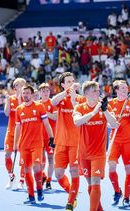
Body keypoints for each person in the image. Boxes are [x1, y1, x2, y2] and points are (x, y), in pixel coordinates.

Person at [73, 81, 118, 211]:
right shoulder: (79, 107)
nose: (98, 92)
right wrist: (93, 113)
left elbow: (114, 124)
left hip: (98, 153)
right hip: (83, 153)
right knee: (91, 185)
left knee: (96, 183)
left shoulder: (105, 108)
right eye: (94, 90)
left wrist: (104, 111)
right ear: (86, 93)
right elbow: (77, 122)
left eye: (98, 90)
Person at [13, 84, 54, 204]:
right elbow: (17, 128)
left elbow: (46, 124)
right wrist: (15, 144)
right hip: (24, 145)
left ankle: (39, 189)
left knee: (37, 167)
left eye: (27, 93)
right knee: (26, 170)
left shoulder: (39, 106)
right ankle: (31, 195)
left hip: (37, 144)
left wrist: (51, 137)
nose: (25, 95)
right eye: (23, 93)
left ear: (32, 94)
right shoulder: (19, 109)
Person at [51, 72, 85, 210]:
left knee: (74, 172)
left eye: (73, 81)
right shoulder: (60, 99)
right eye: (68, 82)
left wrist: (73, 98)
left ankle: (70, 203)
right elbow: (53, 101)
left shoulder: (81, 99)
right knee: (58, 174)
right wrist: (66, 93)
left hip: (76, 142)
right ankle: (73, 193)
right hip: (60, 141)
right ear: (63, 85)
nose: (71, 84)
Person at [107, 80, 130, 207]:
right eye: (122, 88)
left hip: (128, 141)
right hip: (114, 140)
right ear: (116, 90)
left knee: (128, 169)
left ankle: (127, 197)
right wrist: (113, 124)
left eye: (126, 87)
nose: (125, 89)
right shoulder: (111, 103)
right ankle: (117, 191)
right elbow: (108, 123)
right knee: (111, 167)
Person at [3, 78, 26, 189]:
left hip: (23, 133)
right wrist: (8, 101)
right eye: (17, 85)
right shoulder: (10, 98)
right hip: (10, 131)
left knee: (23, 158)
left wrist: (19, 100)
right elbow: (7, 113)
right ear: (15, 87)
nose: (20, 87)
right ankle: (11, 176)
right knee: (7, 155)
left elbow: (23, 113)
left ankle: (22, 180)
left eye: (22, 85)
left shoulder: (27, 99)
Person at [38, 83, 57, 190]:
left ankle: (49, 181)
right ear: (39, 93)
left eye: (47, 91)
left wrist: (45, 113)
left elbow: (55, 117)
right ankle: (43, 177)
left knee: (50, 159)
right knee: (39, 161)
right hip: (39, 137)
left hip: (51, 136)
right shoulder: (36, 104)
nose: (45, 93)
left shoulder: (52, 103)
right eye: (43, 91)